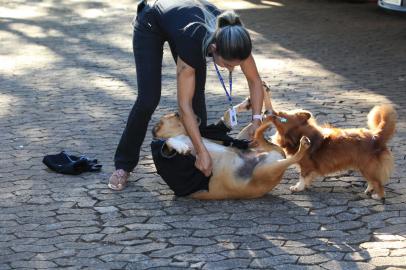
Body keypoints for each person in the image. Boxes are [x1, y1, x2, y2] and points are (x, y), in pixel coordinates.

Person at [108, 0, 265, 191]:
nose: (232, 69)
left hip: (180, 20)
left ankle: (200, 160)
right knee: (148, 99)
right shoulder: (193, 42)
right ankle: (123, 165)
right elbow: (184, 106)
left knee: (197, 95)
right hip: (151, 20)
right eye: (229, 64)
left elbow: (255, 81)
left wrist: (257, 121)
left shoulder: (236, 39)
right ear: (214, 49)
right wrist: (201, 151)